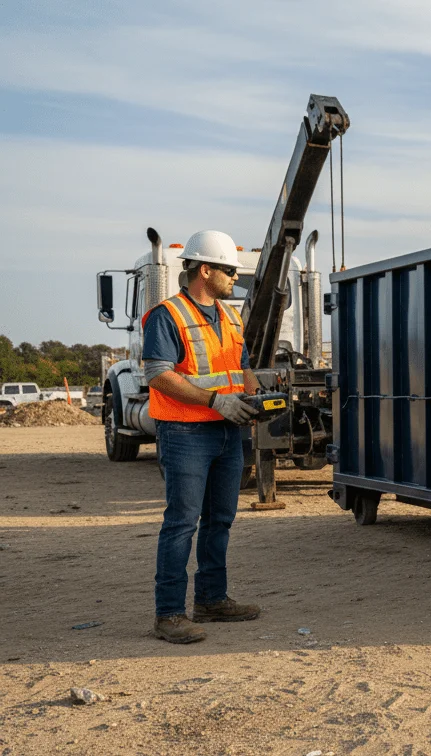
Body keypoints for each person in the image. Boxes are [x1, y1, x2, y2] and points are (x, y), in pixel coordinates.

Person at [141, 229, 262, 643]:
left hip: (227, 431)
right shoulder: (167, 315)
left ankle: (211, 600)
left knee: (220, 521)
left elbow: (240, 365)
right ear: (204, 270)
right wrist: (215, 401)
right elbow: (158, 374)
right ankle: (169, 614)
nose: (234, 278)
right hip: (185, 433)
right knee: (181, 523)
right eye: (229, 270)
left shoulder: (231, 315)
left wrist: (255, 394)